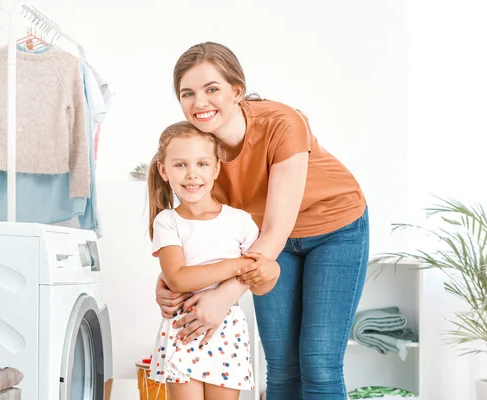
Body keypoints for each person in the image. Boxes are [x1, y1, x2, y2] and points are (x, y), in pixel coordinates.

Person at [154, 42, 370, 400]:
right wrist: (169, 277)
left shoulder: (282, 123)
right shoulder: (200, 152)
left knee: (319, 363)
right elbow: (202, 228)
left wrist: (223, 297)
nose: (200, 103)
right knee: (282, 366)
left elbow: (275, 231)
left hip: (334, 228)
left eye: (212, 89)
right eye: (187, 93)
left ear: (237, 91)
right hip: (264, 246)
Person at [145, 121, 280, 400]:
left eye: (202, 164)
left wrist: (271, 269)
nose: (192, 174)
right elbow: (178, 278)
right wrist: (239, 265)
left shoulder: (240, 222)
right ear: (163, 170)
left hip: (226, 331)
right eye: (180, 164)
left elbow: (261, 285)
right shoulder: (168, 221)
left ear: (217, 168)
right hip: (185, 329)